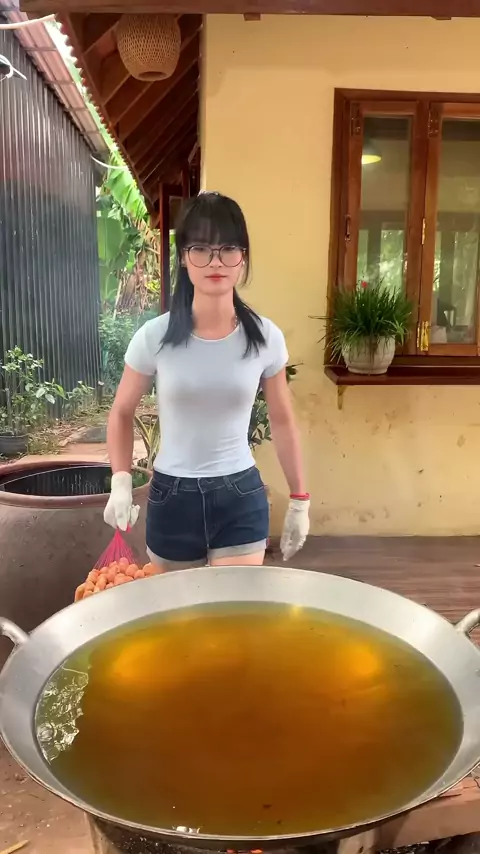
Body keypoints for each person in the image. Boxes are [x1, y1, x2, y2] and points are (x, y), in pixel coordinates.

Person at [104, 191, 309, 571]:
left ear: (243, 256)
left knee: (233, 607)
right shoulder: (155, 336)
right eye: (201, 248)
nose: (215, 261)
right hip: (172, 497)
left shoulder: (265, 337)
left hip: (239, 494)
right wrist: (120, 480)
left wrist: (300, 499)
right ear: (184, 257)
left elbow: (282, 420)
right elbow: (121, 413)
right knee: (179, 609)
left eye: (228, 248)